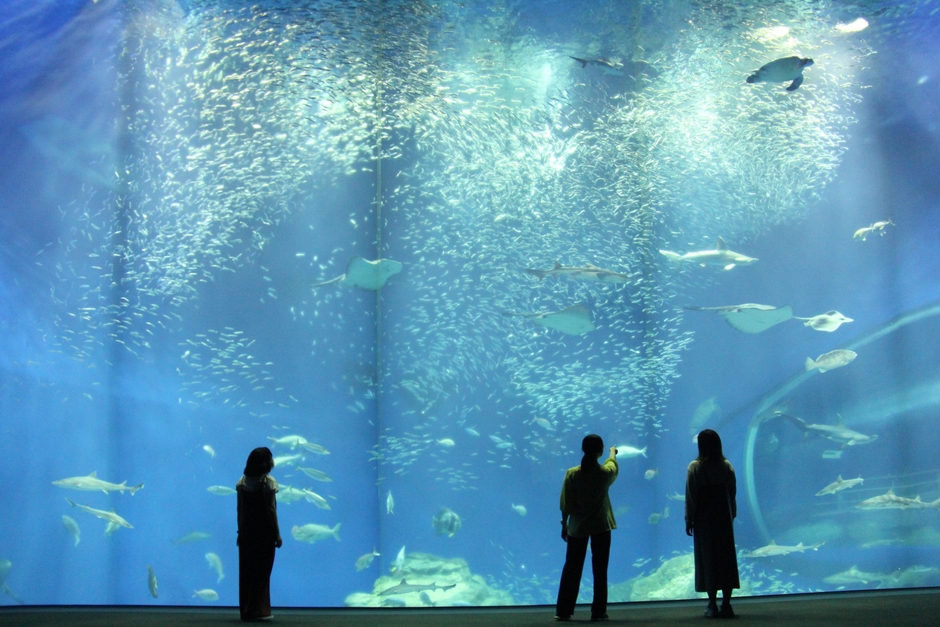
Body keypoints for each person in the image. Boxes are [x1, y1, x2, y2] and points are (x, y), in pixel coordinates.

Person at [555, 434, 619, 622]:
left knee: (572, 568)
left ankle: (563, 611)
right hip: (601, 526)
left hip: (577, 527)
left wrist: (564, 524)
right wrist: (612, 453)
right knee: (600, 570)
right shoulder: (604, 474)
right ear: (600, 451)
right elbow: (612, 466)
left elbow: (566, 503)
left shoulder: (572, 474)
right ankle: (598, 612)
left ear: (583, 449)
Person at [685, 429, 740, 619]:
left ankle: (712, 604)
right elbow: (732, 493)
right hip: (723, 519)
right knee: (726, 559)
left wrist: (689, 519)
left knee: (708, 559)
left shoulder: (695, 467)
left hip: (704, 520)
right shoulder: (726, 465)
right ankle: (727, 604)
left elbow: (691, 495)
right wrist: (732, 514)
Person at [236, 447, 283, 622]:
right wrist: (277, 534)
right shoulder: (268, 483)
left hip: (247, 533)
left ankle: (247, 610)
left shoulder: (242, 483)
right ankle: (259, 610)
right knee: (262, 571)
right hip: (264, 533)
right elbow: (271, 510)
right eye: (270, 458)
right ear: (265, 463)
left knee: (247, 572)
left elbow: (240, 510)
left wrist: (240, 531)